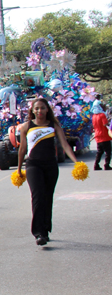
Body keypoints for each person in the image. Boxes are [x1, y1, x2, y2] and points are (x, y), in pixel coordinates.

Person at [16, 97, 79, 246]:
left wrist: (77, 163)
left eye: (42, 108)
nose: (39, 111)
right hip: (33, 165)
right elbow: (22, 149)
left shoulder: (53, 125)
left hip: (50, 165)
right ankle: (38, 233)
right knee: (37, 197)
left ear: (47, 110)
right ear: (32, 110)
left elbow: (65, 145)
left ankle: (45, 230)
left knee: (47, 198)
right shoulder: (26, 126)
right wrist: (19, 169)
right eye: (36, 108)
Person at [91, 100, 111, 170]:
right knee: (108, 151)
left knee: (100, 151)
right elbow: (105, 124)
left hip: (97, 136)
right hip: (104, 135)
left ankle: (96, 165)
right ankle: (107, 165)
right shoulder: (102, 115)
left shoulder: (94, 116)